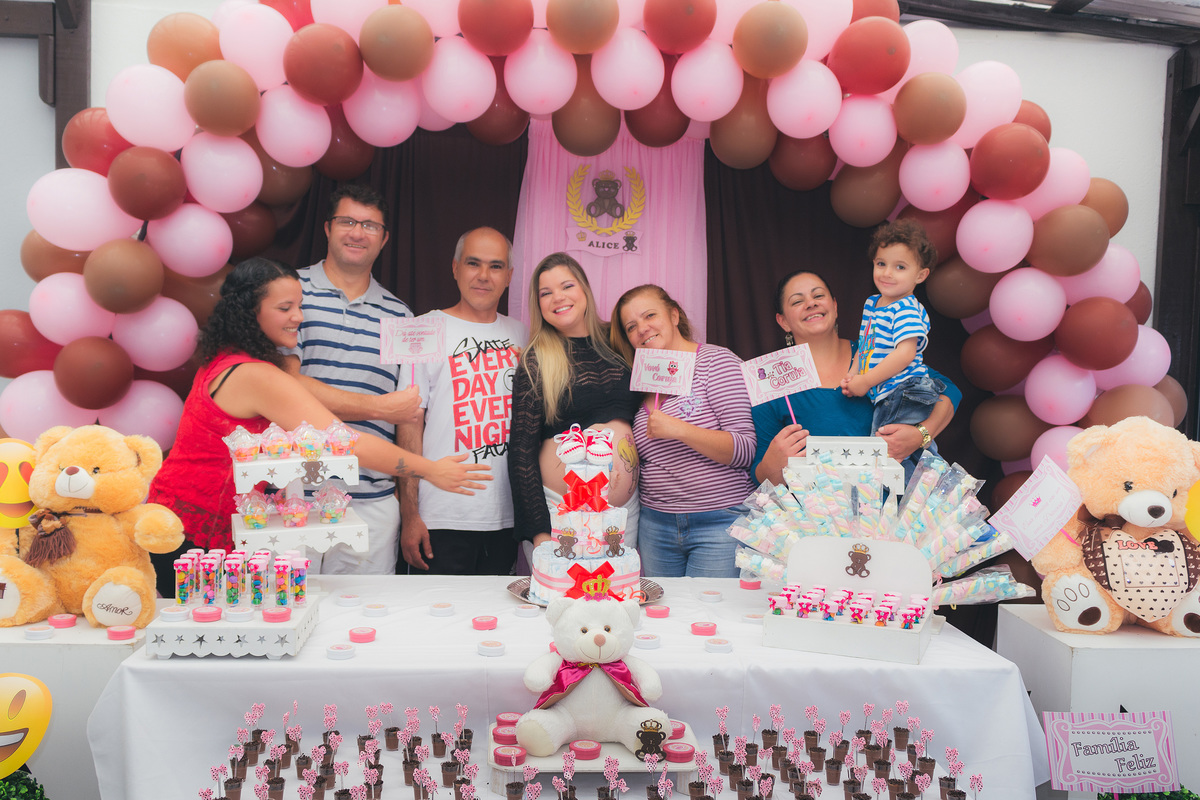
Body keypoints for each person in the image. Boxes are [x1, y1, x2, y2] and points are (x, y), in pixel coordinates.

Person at [147, 258, 490, 596]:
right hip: (191, 532)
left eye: (299, 306)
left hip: (173, 521)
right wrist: (431, 469)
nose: (298, 316)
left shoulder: (229, 360)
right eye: (285, 308)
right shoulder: (254, 375)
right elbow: (348, 443)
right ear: (250, 312)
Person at [283, 184, 419, 575]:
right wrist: (379, 407)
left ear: (385, 238)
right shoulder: (290, 291)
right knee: (286, 605)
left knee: (366, 610)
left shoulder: (401, 318)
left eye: (370, 225)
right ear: (327, 228)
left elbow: (410, 417)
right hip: (293, 495)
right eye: (347, 221)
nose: (358, 233)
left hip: (371, 500)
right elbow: (285, 385)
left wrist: (410, 511)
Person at [398, 227, 528, 574]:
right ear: (455, 268)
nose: (483, 275)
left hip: (507, 517)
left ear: (509, 276)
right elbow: (408, 422)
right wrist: (409, 513)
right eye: (473, 263)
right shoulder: (421, 329)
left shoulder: (524, 334)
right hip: (440, 515)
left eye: (496, 266)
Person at [751, 270, 961, 485]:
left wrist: (921, 434)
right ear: (783, 321)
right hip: (819, 504)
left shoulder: (875, 354)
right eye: (797, 301)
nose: (811, 303)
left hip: (893, 499)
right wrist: (772, 465)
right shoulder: (771, 379)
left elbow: (949, 390)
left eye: (818, 295)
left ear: (835, 306)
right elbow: (761, 476)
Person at [610, 285, 756, 578]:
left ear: (674, 315)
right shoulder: (640, 379)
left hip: (719, 522)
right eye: (631, 326)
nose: (642, 329)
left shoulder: (716, 362)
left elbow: (745, 450)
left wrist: (680, 430)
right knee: (662, 606)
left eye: (650, 315)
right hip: (655, 525)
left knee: (709, 606)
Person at [508, 253, 640, 553]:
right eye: (546, 293)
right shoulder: (535, 359)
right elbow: (521, 450)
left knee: (618, 585)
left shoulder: (620, 340)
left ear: (585, 289)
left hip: (623, 512)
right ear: (538, 305)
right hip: (559, 511)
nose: (558, 297)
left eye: (567, 286)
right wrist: (539, 532)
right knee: (558, 586)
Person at [841, 220, 944, 473]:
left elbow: (905, 354)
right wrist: (854, 375)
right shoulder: (872, 303)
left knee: (888, 450)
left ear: (920, 275)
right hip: (890, 392)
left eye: (900, 267)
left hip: (906, 390)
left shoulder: (905, 308)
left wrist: (866, 381)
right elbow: (865, 345)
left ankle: (940, 485)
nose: (887, 273)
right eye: (881, 264)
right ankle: (936, 482)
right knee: (900, 451)